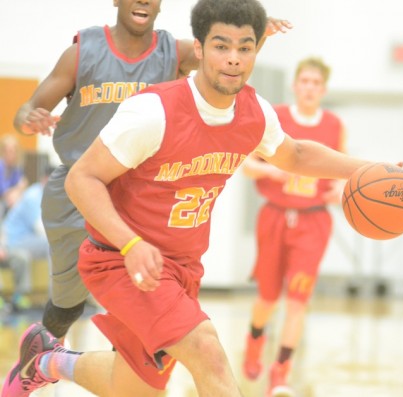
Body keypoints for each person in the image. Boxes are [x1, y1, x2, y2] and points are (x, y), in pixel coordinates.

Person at [1, 0, 388, 396]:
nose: (234, 59)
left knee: (135, 388)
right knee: (207, 349)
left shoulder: (254, 113)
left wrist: (369, 169)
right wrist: (130, 243)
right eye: (222, 46)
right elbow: (81, 180)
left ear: (257, 50)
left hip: (182, 267)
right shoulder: (154, 110)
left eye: (245, 47)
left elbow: (298, 155)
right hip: (121, 259)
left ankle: (46, 360)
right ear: (199, 49)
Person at [11, 0, 291, 348]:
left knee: (140, 312)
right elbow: (26, 109)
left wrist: (253, 28)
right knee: (68, 304)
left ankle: (122, 374)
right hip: (80, 185)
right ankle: (38, 361)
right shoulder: (82, 52)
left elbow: (224, 56)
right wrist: (28, 117)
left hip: (140, 191)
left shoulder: (173, 52)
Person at [241, 56, 345, 396]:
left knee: (298, 300)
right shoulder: (277, 118)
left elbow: (340, 176)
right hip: (274, 216)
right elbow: (247, 166)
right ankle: (255, 339)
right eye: (305, 82)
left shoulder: (333, 125)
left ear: (323, 89)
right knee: (268, 299)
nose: (310, 88)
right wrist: (275, 171)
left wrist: (344, 193)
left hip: (313, 221)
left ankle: (280, 371)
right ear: (295, 85)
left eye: (316, 83)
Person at [0, 165, 53, 312]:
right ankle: (54, 298)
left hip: (26, 239)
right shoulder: (33, 195)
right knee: (52, 244)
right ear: (45, 179)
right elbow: (40, 228)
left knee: (55, 244)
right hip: (14, 241)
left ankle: (55, 297)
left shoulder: (47, 195)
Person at [0, 135, 27, 217]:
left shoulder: (16, 167)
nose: (13, 154)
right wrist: (17, 189)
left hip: (9, 201)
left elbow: (23, 184)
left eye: (15, 151)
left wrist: (18, 189)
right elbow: (3, 190)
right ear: (3, 151)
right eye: (10, 151)